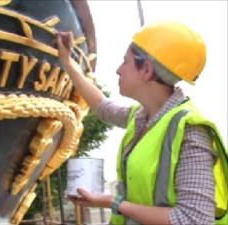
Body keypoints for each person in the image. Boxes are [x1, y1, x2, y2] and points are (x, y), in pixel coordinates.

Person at [56, 21, 227, 224]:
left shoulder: (190, 130)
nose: (118, 70)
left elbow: (194, 219)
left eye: (125, 62)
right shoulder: (140, 117)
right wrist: (68, 62)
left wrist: (113, 202)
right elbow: (102, 107)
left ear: (146, 69)